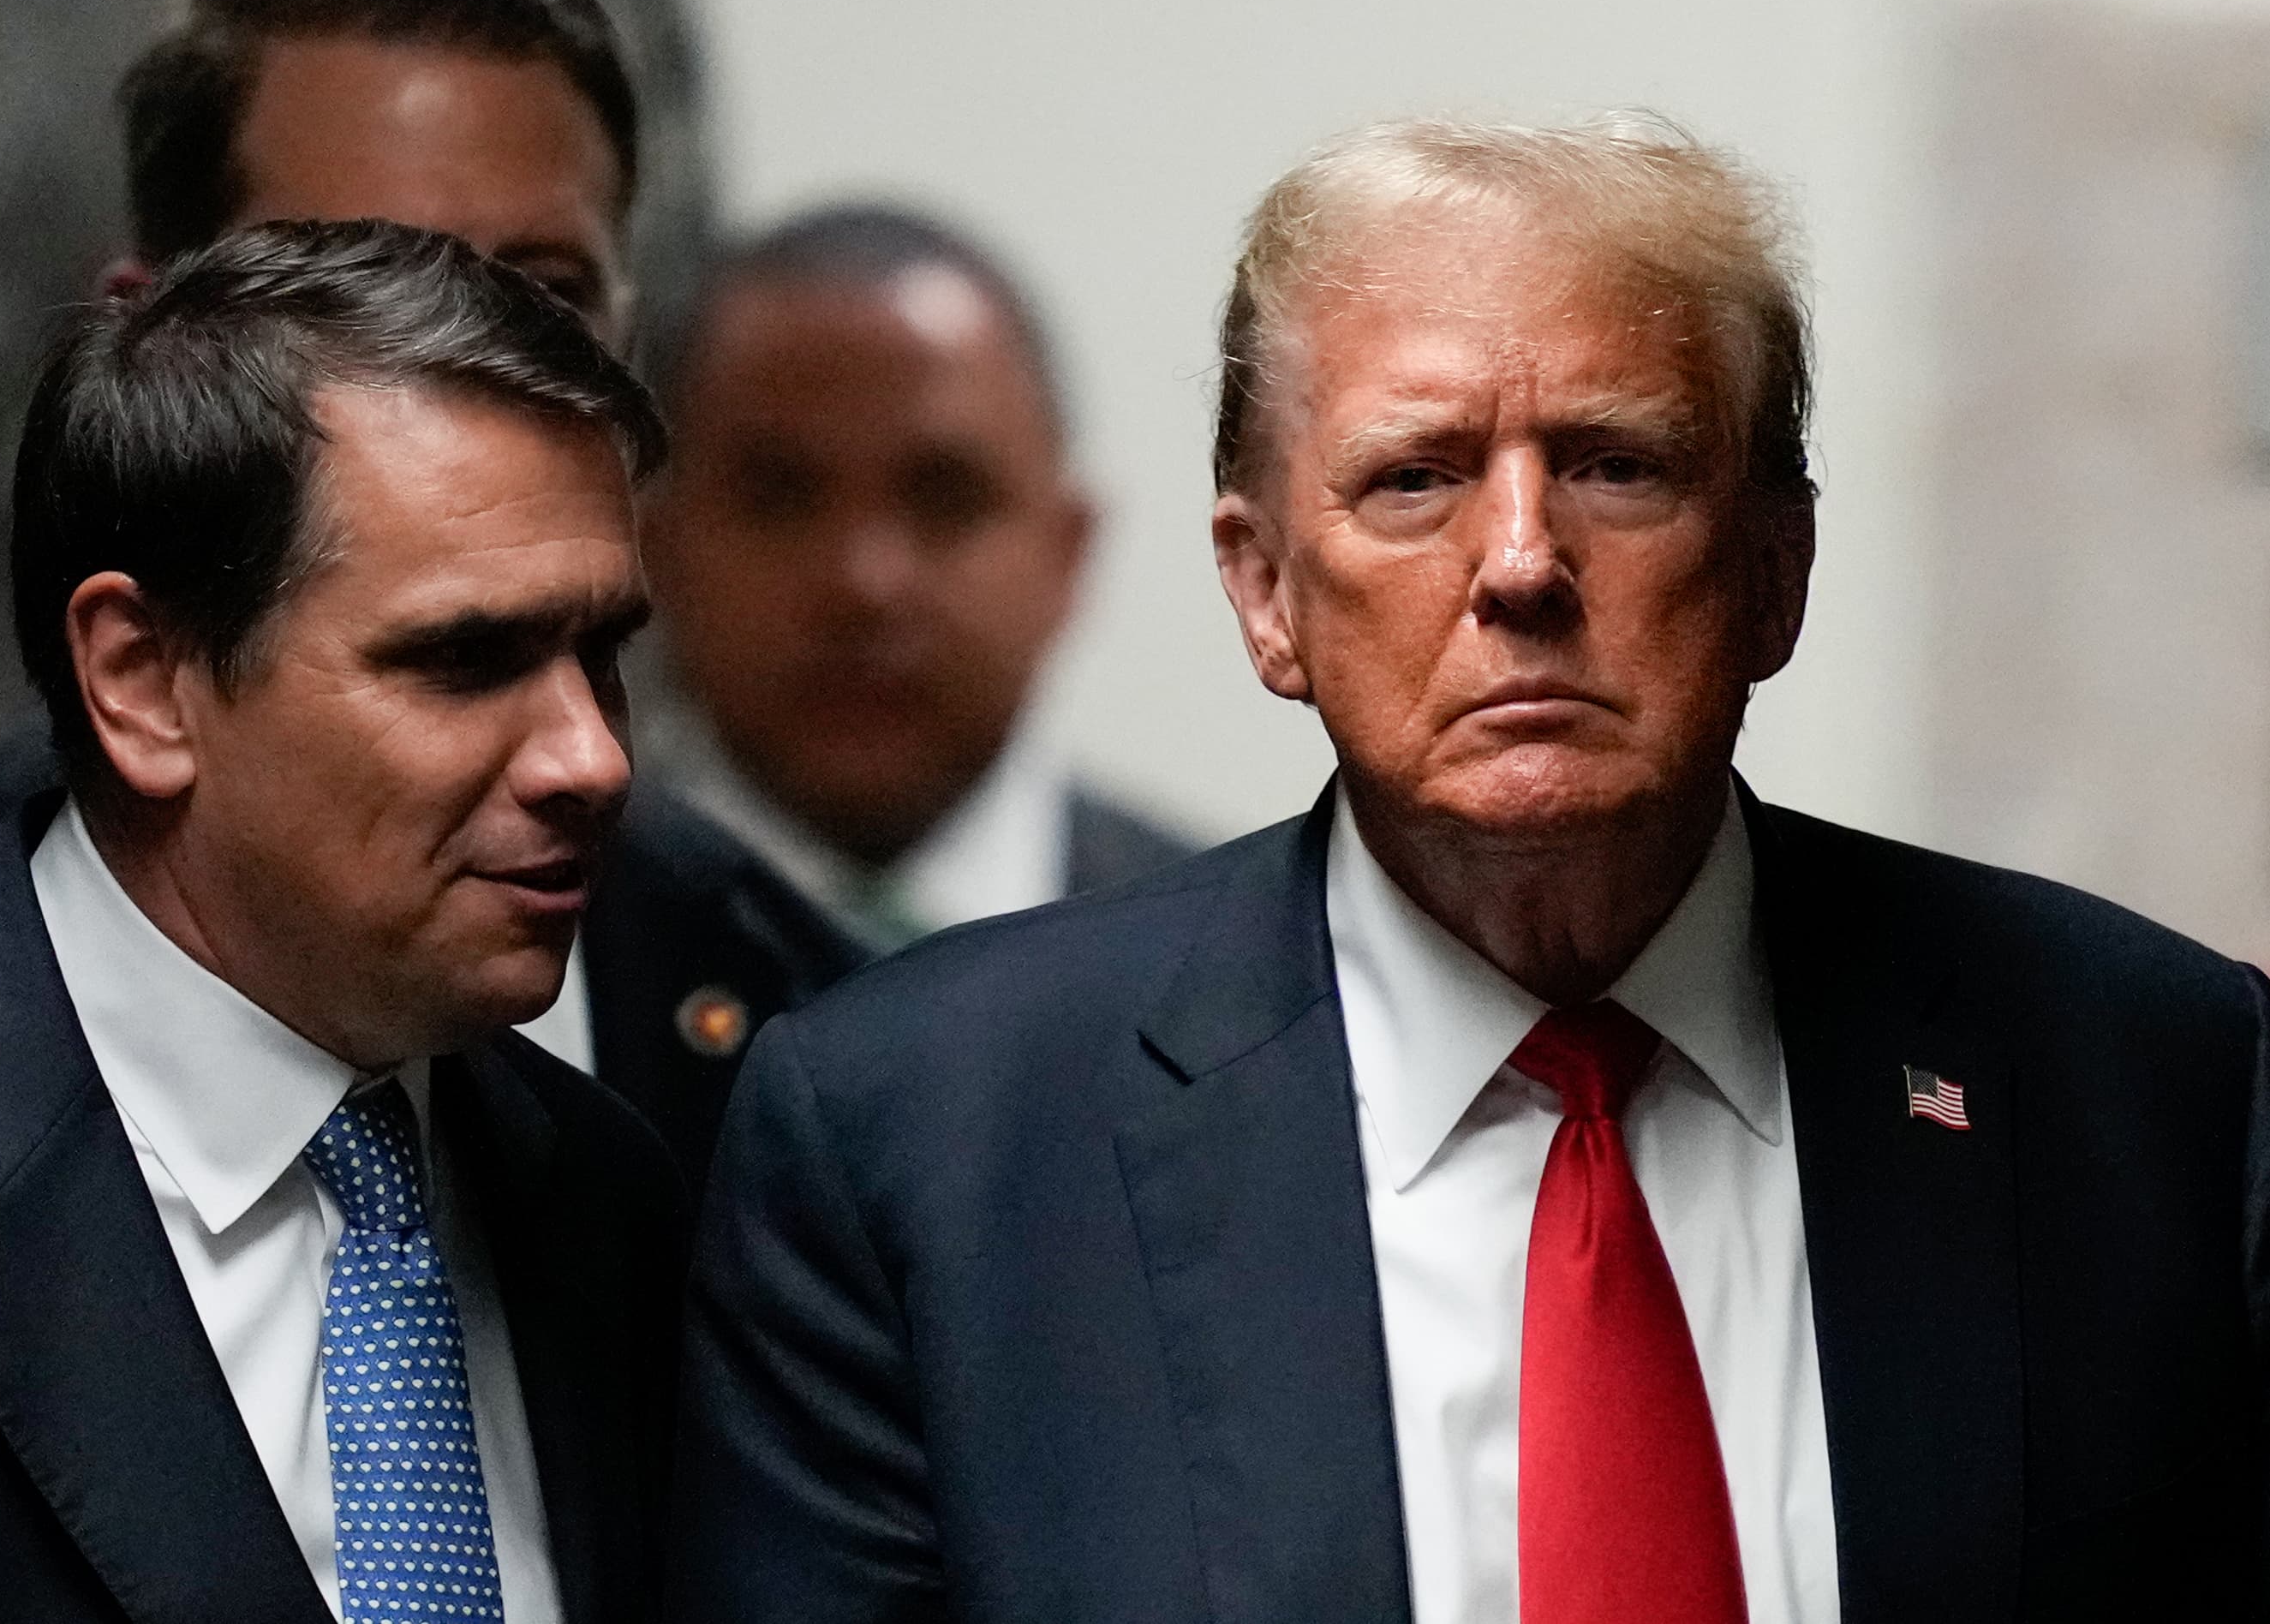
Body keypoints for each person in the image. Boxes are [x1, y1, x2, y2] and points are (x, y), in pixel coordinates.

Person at [669, 117, 2270, 1622]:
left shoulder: (2154, 1087)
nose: (1517, 561)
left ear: (1774, 567)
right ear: (1262, 593)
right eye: (1413, 476)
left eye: (1614, 462)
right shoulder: (922, 1146)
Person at [0, 0, 863, 1192]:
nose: (472, 378)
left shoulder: (818, 1034)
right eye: (353, 285)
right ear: (141, 336)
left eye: (550, 297)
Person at [0, 221, 686, 1620]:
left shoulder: (611, 1199)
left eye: (601, 651)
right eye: (466, 658)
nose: (593, 756)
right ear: (143, 682)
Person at [642, 206, 1197, 952]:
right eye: (779, 497)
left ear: (1068, 553)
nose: (863, 584)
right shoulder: (533, 972)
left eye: (946, 498)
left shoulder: (1258, 966)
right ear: (655, 554)